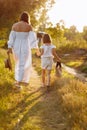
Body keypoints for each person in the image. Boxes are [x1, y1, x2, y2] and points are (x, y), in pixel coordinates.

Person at [7, 11, 39, 89]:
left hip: (16, 46)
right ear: (27, 18)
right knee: (23, 64)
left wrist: (9, 47)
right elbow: (33, 40)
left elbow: (11, 38)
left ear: (20, 17)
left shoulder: (14, 25)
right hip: (25, 46)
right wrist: (37, 49)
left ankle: (18, 81)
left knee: (18, 63)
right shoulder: (29, 26)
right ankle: (18, 83)